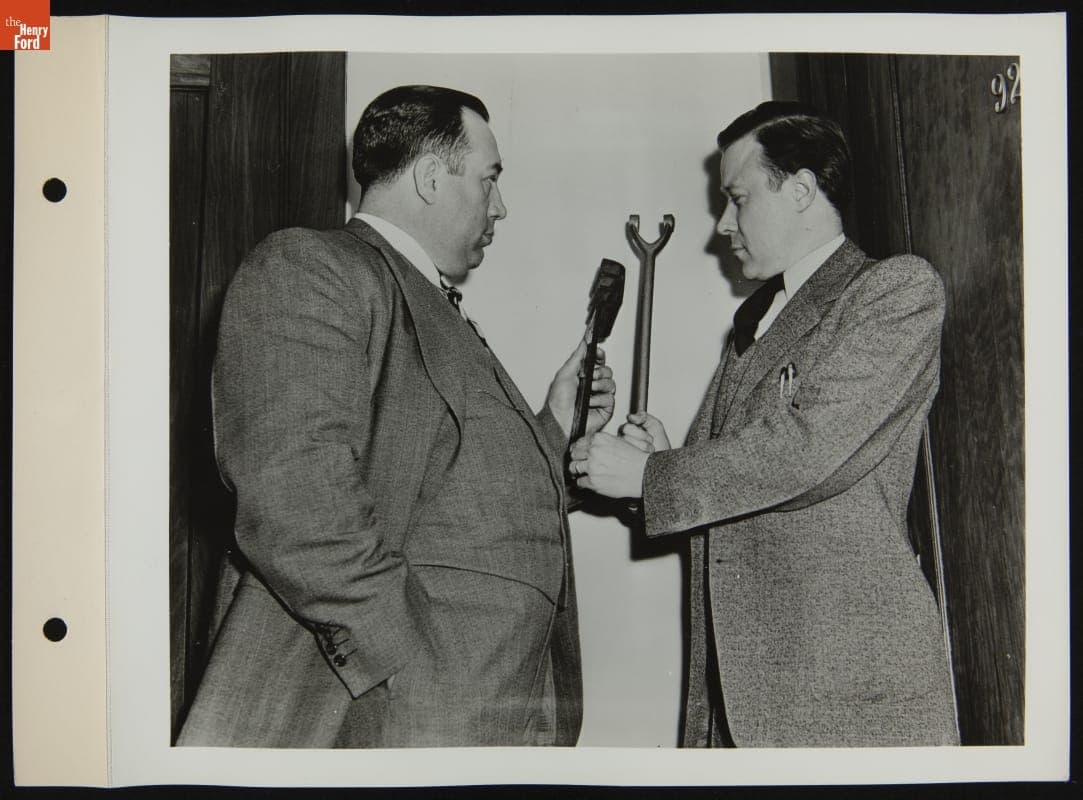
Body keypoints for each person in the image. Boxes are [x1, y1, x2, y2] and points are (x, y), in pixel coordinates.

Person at [177, 85, 615, 748]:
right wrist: (401, 664)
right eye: (490, 180)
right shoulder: (313, 266)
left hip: (494, 711)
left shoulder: (435, 306)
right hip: (401, 708)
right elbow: (293, 493)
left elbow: (460, 500)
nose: (500, 206)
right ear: (432, 179)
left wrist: (551, 427)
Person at [569, 101, 959, 747]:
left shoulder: (893, 292)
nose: (723, 224)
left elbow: (807, 452)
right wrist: (653, 462)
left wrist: (652, 474)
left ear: (801, 190)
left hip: (842, 698)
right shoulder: (753, 324)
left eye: (737, 198)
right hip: (742, 704)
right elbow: (717, 481)